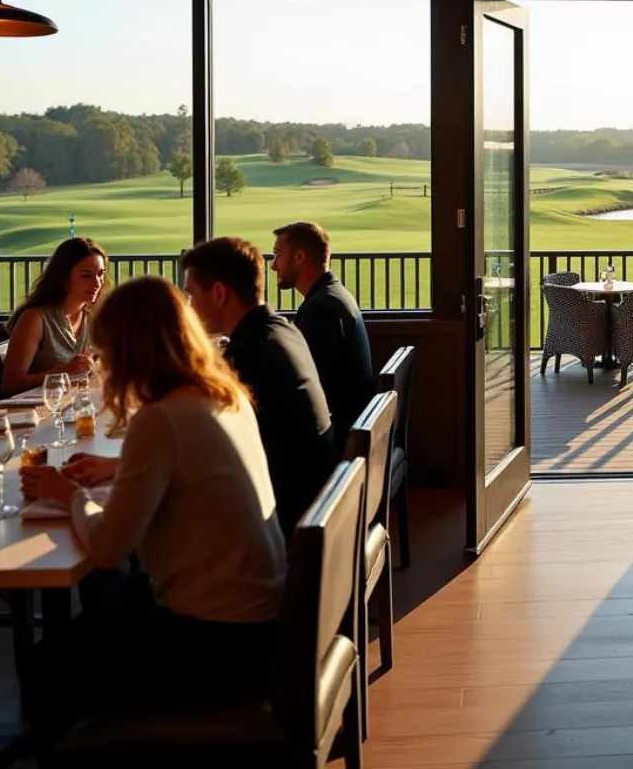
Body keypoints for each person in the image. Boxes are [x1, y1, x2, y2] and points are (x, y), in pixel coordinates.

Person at [19, 276, 286, 741]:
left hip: (216, 648)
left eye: (107, 353)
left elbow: (106, 547)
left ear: (130, 350)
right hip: (262, 627)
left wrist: (68, 494)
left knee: (48, 666)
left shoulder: (160, 419)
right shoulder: (225, 396)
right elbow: (192, 471)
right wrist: (121, 467)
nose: (105, 365)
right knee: (106, 600)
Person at [181, 237, 335, 536]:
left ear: (220, 293)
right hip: (314, 504)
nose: (189, 307)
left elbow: (207, 444)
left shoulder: (253, 353)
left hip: (281, 523)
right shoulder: (280, 330)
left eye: (191, 295)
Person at [272, 221, 374, 453]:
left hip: (336, 440)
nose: (273, 266)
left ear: (299, 257)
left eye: (277, 254)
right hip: (347, 426)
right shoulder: (331, 295)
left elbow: (305, 386)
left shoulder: (322, 308)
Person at [2, 236, 106, 395]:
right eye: (86, 275)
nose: (97, 283)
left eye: (100, 274)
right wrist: (62, 373)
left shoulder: (95, 317)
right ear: (64, 277)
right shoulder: (35, 319)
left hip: (80, 408)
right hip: (42, 413)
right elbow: (10, 384)